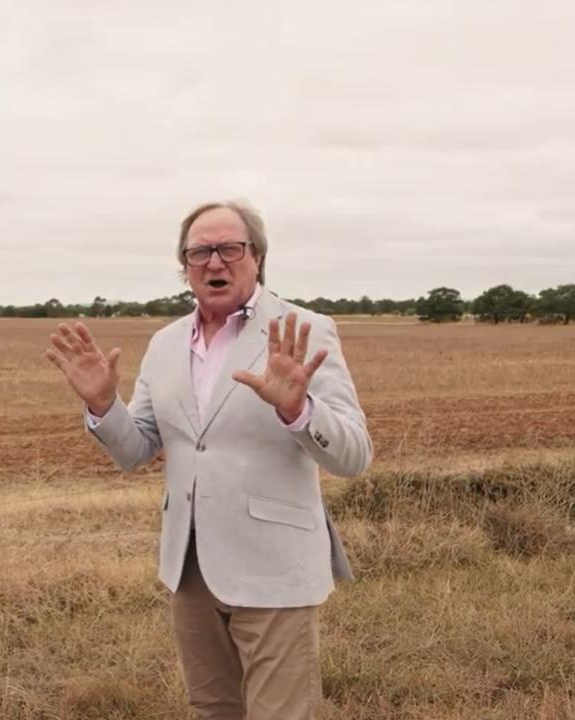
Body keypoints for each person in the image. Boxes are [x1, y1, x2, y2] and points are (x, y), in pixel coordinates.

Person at [45, 200, 372, 719]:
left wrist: (298, 408)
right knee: (212, 710)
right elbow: (137, 449)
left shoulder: (303, 329)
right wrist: (104, 406)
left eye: (229, 249)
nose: (214, 263)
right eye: (199, 252)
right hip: (190, 568)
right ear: (185, 265)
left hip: (274, 567)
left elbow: (354, 455)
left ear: (257, 257)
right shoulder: (166, 343)